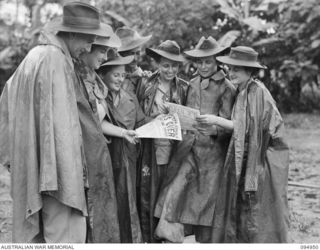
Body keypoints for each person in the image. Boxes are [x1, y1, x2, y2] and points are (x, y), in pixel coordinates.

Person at [0, 2, 120, 243]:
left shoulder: (35, 55)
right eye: (88, 41)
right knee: (66, 237)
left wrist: (18, 156)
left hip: (36, 166)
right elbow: (62, 128)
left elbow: (6, 101)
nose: (89, 47)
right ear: (73, 34)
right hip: (57, 174)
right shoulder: (56, 60)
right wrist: (72, 178)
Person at [196, 46, 289, 242]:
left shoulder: (257, 92)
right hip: (245, 153)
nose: (231, 73)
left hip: (262, 156)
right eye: (230, 69)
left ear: (249, 71)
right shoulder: (243, 90)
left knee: (257, 208)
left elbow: (246, 128)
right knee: (239, 203)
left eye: (237, 69)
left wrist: (215, 120)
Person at [153, 36, 236, 243]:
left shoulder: (227, 87)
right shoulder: (192, 83)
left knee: (206, 203)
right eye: (199, 62)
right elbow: (183, 110)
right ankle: (170, 236)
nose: (203, 66)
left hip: (212, 156)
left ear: (217, 60)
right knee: (175, 191)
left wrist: (214, 129)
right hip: (188, 149)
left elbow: (230, 125)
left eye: (208, 61)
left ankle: (205, 242)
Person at [135, 40, 189, 242]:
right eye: (166, 65)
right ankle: (149, 238)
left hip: (176, 149)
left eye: (175, 65)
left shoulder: (184, 88)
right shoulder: (145, 84)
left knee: (170, 196)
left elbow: (190, 118)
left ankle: (167, 237)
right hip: (150, 148)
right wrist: (154, 119)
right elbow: (137, 117)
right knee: (149, 193)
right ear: (157, 63)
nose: (170, 70)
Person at [94, 49, 145, 243]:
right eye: (116, 75)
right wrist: (123, 133)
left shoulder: (130, 96)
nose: (120, 79)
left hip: (127, 158)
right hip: (105, 156)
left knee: (127, 202)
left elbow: (141, 122)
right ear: (103, 75)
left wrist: (160, 120)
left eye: (123, 75)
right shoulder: (98, 97)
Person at [116, 27, 152, 96]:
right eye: (131, 54)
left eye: (138, 53)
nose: (135, 58)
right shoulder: (111, 77)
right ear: (122, 54)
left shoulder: (142, 77)